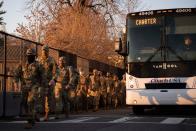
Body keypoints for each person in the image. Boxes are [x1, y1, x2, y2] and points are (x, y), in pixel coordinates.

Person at [14, 48, 46, 129]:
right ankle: (33, 115)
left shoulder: (38, 65)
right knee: (24, 102)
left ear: (34, 56)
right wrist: (16, 84)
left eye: (32, 55)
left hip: (34, 86)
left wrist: (42, 87)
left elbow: (43, 76)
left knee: (30, 102)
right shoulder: (22, 64)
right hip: (24, 86)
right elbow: (16, 74)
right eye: (28, 55)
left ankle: (30, 122)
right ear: (26, 56)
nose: (30, 57)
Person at [38, 44, 58, 121]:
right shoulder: (38, 60)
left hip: (49, 82)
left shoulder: (52, 60)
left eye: (46, 51)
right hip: (41, 82)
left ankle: (47, 114)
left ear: (48, 51)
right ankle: (37, 114)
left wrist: (54, 79)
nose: (44, 52)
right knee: (39, 97)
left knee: (48, 99)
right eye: (43, 51)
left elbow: (56, 71)